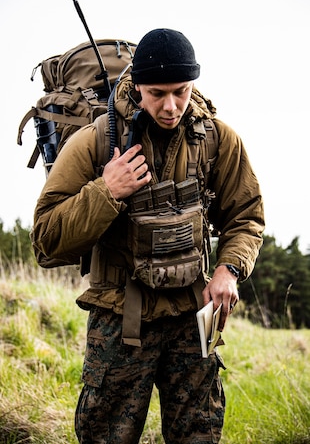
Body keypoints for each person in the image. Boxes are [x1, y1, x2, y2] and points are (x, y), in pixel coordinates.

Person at [31, 28, 265, 444]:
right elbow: (46, 241)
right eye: (157, 93)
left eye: (182, 91)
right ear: (136, 85)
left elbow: (246, 216)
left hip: (194, 319)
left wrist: (229, 269)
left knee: (200, 435)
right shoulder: (94, 142)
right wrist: (107, 191)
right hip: (120, 320)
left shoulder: (216, 138)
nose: (171, 106)